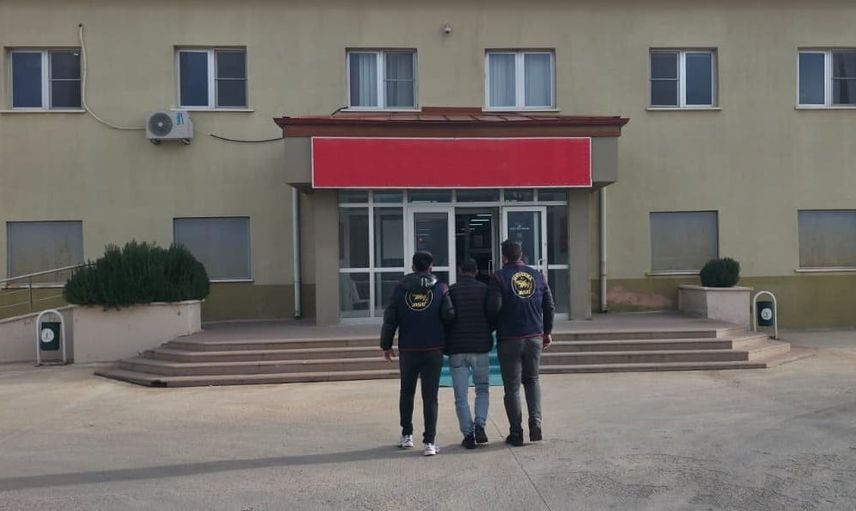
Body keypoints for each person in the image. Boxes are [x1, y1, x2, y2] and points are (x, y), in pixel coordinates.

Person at [380, 251, 455, 456]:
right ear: (430, 267)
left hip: (408, 349)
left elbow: (390, 319)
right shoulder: (441, 288)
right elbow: (449, 315)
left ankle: (407, 435)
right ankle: (429, 442)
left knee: (407, 392)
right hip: (433, 348)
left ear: (412, 267)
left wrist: (386, 345)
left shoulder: (400, 289)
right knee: (430, 396)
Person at [489, 239, 555, 447]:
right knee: (532, 380)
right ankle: (535, 422)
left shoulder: (498, 277)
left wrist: (491, 327)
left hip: (509, 338)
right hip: (534, 336)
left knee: (512, 388)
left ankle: (516, 433)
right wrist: (547, 332)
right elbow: (549, 306)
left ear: (504, 257)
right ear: (521, 255)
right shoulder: (537, 276)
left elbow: (494, 307)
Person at [447, 258, 498, 449]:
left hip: (457, 348)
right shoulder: (485, 290)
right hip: (480, 347)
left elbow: (446, 317)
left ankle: (468, 434)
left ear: (460, 271)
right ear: (476, 272)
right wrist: (487, 331)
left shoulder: (451, 291)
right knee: (482, 389)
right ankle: (480, 425)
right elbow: (493, 314)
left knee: (460, 396)